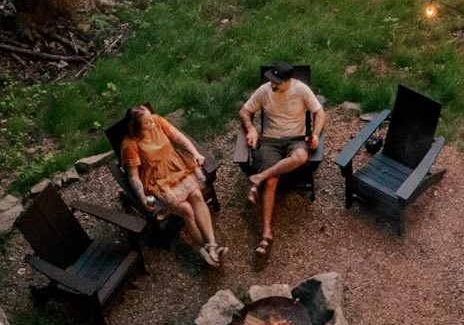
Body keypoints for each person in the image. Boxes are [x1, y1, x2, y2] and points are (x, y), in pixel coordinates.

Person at [240, 63, 323, 259]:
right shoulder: (264, 90)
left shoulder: (301, 89)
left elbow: (320, 112)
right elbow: (244, 111)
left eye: (277, 82)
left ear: (288, 81)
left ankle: (257, 177)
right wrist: (251, 128)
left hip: (295, 140)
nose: (272, 84)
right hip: (270, 141)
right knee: (272, 181)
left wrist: (316, 135)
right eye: (271, 80)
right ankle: (266, 233)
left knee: (302, 156)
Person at [119, 106, 220, 266]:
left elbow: (179, 138)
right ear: (137, 127)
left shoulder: (157, 121)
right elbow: (133, 177)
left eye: (151, 119)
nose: (152, 123)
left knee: (197, 196)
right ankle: (206, 248)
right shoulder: (130, 145)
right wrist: (143, 197)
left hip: (177, 168)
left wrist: (195, 153)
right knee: (187, 210)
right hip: (157, 181)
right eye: (147, 123)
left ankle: (212, 244)